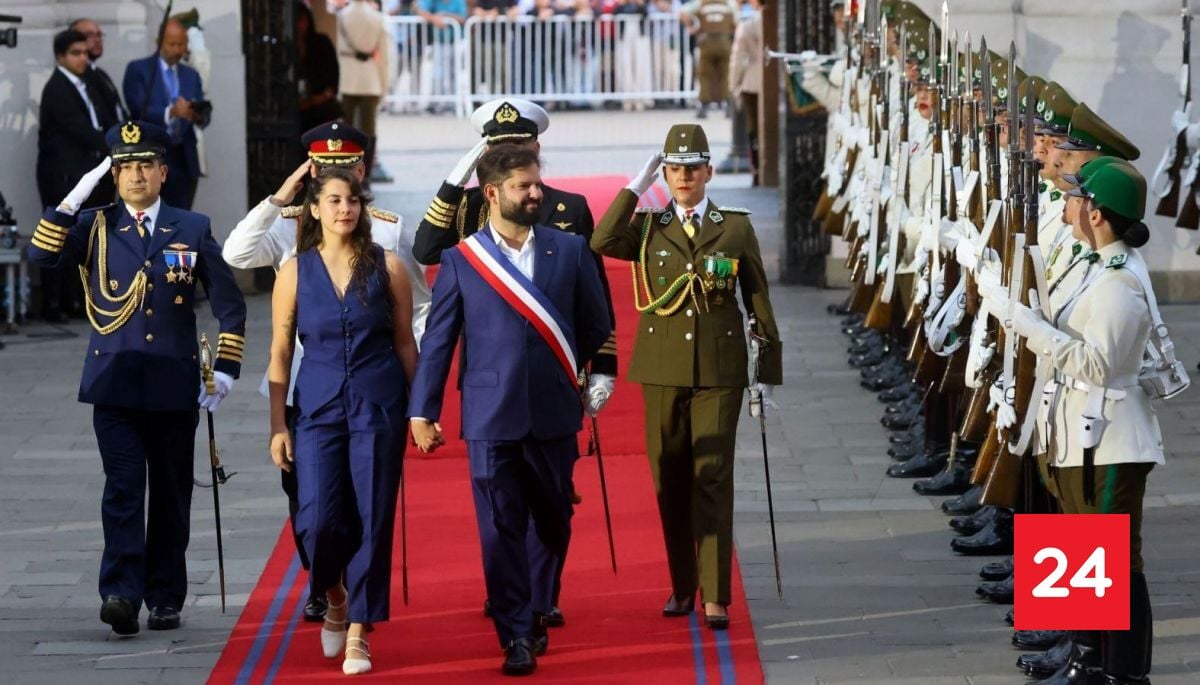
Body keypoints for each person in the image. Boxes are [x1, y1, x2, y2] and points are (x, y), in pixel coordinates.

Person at [26, 120, 247, 636]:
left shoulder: (190, 227)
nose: (135, 176)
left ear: (163, 172)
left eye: (145, 165)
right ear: (114, 174)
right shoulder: (96, 227)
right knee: (123, 489)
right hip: (115, 383)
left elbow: (229, 307)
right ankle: (121, 592)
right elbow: (41, 256)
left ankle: (165, 595)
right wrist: (70, 201)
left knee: (171, 494)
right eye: (125, 166)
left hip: (173, 383)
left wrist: (227, 370)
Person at [412, 98, 618, 627]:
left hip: (551, 392)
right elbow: (430, 264)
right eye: (503, 156)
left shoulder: (567, 217)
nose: (530, 188)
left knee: (551, 515)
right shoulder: (468, 229)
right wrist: (423, 407)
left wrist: (600, 369)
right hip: (489, 400)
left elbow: (595, 308)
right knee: (500, 520)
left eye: (524, 155)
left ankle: (538, 595)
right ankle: (517, 622)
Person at [223, 121, 429, 622]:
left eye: (348, 171)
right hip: (304, 384)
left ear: (362, 170)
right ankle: (328, 583)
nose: (343, 200)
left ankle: (355, 607)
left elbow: (414, 312)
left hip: (371, 383)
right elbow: (236, 253)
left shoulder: (388, 230)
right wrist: (281, 197)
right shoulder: (286, 225)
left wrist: (411, 392)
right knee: (310, 506)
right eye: (324, 173)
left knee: (367, 504)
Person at [591, 124, 782, 629]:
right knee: (669, 480)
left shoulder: (734, 226)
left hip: (719, 368)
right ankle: (682, 584)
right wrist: (636, 185)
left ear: (708, 172)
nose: (683, 178)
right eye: (673, 169)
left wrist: (767, 369)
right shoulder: (650, 226)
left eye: (692, 169)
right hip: (661, 369)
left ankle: (716, 593)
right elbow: (603, 238)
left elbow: (757, 296)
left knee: (713, 478)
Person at [980, 162, 1162, 685]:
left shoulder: (1119, 284)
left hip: (1111, 438)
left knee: (1116, 562)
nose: (1068, 202)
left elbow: (1098, 366)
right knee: (1082, 551)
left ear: (1097, 215)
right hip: (1080, 427)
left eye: (1077, 198)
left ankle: (1122, 673)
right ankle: (1083, 655)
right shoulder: (1096, 265)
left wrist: (1030, 326)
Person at [268, 167, 416, 676]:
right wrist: (277, 425)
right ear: (314, 209)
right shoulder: (294, 271)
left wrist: (421, 410)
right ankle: (334, 594)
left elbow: (404, 342)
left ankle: (359, 630)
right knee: (315, 518)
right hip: (317, 406)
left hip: (378, 403)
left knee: (373, 515)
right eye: (333, 200)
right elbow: (281, 350)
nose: (344, 209)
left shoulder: (388, 267)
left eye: (352, 200)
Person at [36, 28, 118, 323]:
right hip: (63, 178)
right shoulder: (57, 88)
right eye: (76, 53)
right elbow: (79, 130)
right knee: (61, 235)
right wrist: (114, 144)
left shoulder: (90, 83)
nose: (83, 58)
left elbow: (105, 117)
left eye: (85, 52)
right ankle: (53, 303)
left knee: (87, 238)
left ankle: (77, 299)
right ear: (61, 56)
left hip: (89, 175)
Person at [123, 19, 210, 210]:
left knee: (180, 216)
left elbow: (203, 113)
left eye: (182, 44)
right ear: (159, 42)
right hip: (152, 154)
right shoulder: (141, 70)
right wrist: (170, 112)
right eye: (172, 44)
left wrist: (194, 115)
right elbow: (137, 107)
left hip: (183, 157)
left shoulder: (191, 75)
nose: (178, 50)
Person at [337, 0, 392, 183]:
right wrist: (384, 85)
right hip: (370, 79)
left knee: (345, 128)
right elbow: (384, 55)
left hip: (347, 76)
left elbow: (338, 48)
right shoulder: (376, 17)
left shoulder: (342, 15)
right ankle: (364, 173)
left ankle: (343, 170)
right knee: (369, 130)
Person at [681, 0, 738, 118]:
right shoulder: (729, 3)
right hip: (725, 41)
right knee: (726, 74)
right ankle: (728, 106)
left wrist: (692, 28)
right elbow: (736, 22)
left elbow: (682, 13)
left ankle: (703, 106)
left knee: (705, 75)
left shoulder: (700, 3)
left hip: (707, 41)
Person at [728, 0, 762, 182]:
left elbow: (737, 58)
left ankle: (757, 169)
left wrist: (734, 85)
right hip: (776, 79)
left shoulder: (748, 25)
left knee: (754, 129)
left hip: (752, 82)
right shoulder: (775, 25)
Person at [70, 18, 129, 123]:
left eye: (99, 35)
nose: (97, 40)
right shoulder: (74, 78)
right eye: (89, 35)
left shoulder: (100, 73)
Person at [296, 2, 343, 132]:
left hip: (321, 107)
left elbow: (333, 76)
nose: (299, 26)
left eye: (301, 20)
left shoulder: (321, 43)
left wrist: (321, 97)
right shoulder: (287, 49)